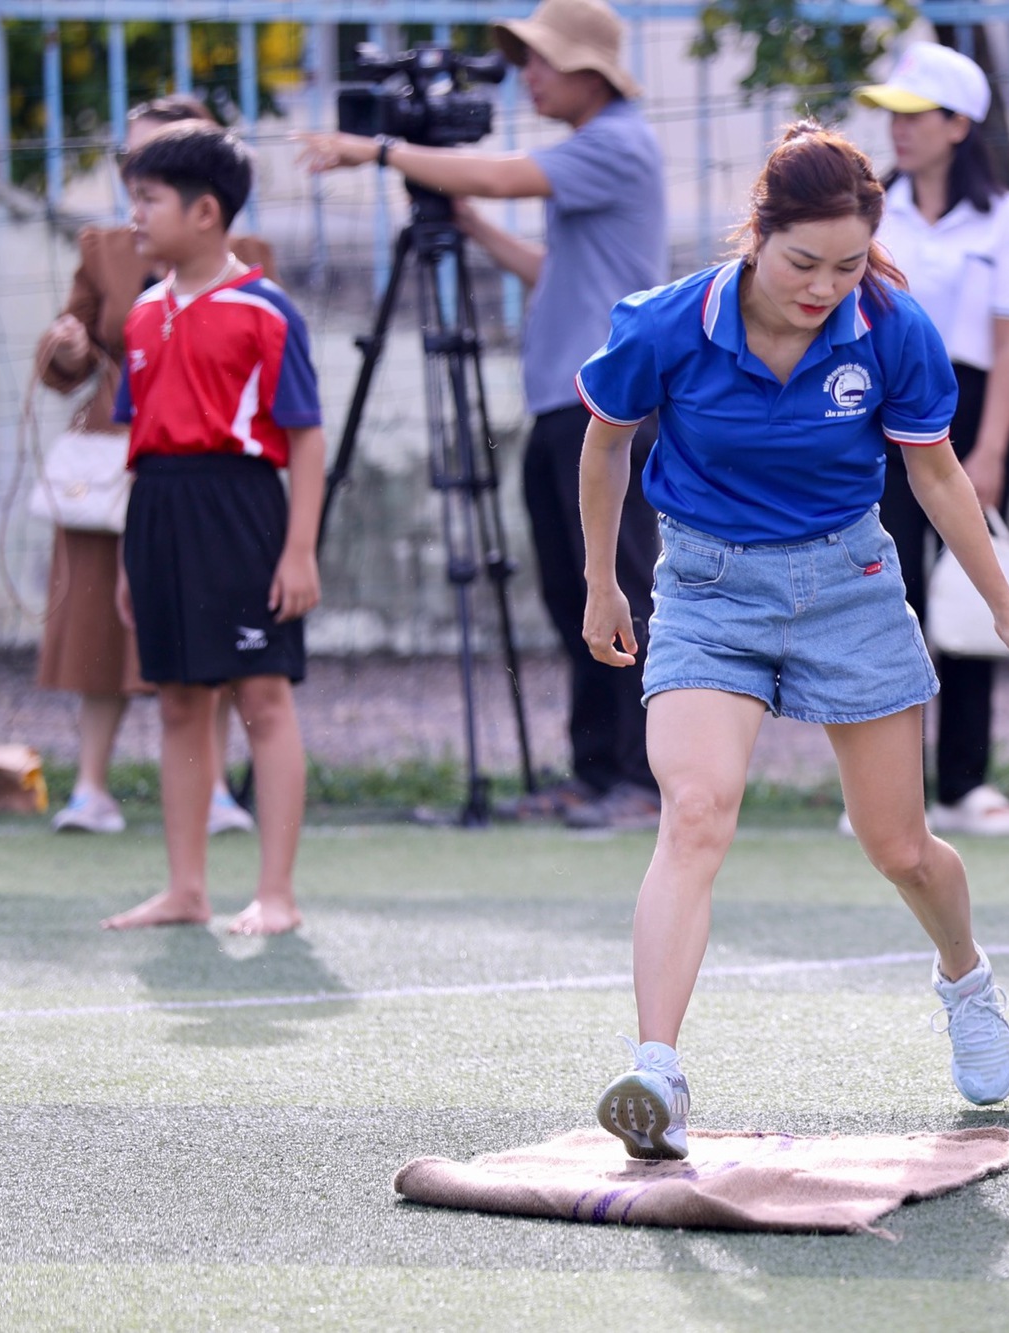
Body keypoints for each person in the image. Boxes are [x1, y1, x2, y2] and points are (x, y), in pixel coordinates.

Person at [573, 124, 1009, 1158]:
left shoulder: (889, 328)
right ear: (755, 236)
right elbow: (605, 442)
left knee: (898, 845)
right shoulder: (666, 324)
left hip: (847, 582)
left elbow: (935, 476)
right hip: (707, 586)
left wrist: (1008, 612)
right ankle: (655, 1071)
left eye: (846, 266)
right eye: (803, 262)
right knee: (696, 811)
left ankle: (964, 979)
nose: (823, 287)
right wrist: (600, 579)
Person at [300, 0, 668, 831]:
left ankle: (644, 781)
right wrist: (466, 222)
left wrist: (381, 150)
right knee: (577, 590)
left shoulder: (615, 141)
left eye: (540, 60)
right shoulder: (596, 153)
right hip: (567, 406)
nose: (527, 75)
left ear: (590, 73)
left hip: (604, 413)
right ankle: (594, 771)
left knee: (621, 589)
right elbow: (557, 269)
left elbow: (504, 174)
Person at [104, 124, 323, 935]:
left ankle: (277, 893)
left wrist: (298, 548)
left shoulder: (265, 312)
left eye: (147, 200)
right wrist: (133, 556)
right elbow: (139, 442)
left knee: (263, 696)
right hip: (159, 511)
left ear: (204, 212)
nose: (133, 216)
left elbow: (304, 434)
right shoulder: (142, 315)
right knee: (177, 700)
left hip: (240, 509)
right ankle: (185, 887)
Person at [35, 95, 272, 838]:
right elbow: (66, 359)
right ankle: (92, 788)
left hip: (207, 473)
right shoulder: (104, 249)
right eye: (132, 163)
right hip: (115, 464)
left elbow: (282, 397)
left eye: (161, 161)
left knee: (212, 634)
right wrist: (66, 350)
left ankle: (214, 791)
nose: (140, 180)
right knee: (97, 624)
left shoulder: (247, 264)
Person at [854, 42, 1009, 836]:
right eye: (892, 115)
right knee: (881, 592)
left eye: (915, 115)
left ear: (960, 125)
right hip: (874, 413)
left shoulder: (1008, 221)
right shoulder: (871, 213)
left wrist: (992, 449)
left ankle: (965, 781)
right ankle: (886, 790)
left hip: (969, 418)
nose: (898, 130)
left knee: (970, 586)